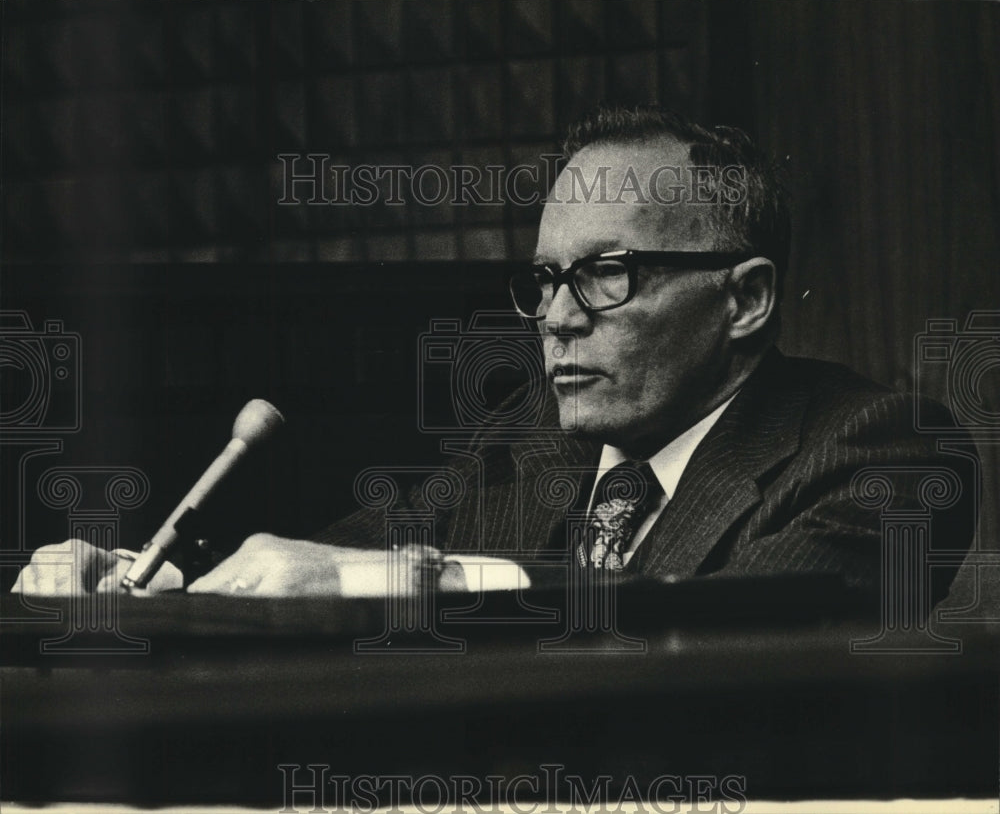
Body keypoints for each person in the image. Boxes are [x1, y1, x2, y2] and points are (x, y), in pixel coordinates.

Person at [12, 105, 977, 607]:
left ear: (747, 298)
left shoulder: (886, 451)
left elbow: (730, 622)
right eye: (545, 279)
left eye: (606, 273)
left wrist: (420, 579)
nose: (556, 318)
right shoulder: (529, 439)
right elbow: (336, 559)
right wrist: (168, 578)